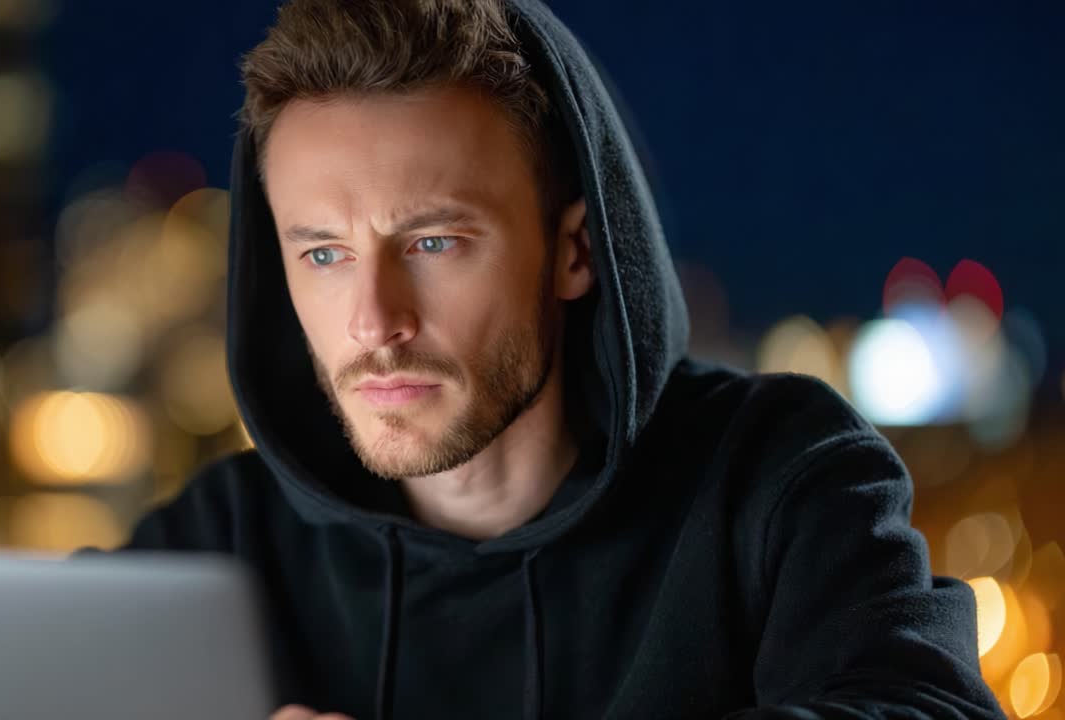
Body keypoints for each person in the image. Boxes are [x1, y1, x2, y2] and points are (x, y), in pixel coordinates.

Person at [118, 0, 1005, 717]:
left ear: (574, 252)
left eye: (433, 243)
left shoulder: (779, 480)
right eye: (323, 254)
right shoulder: (221, 539)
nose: (373, 320)